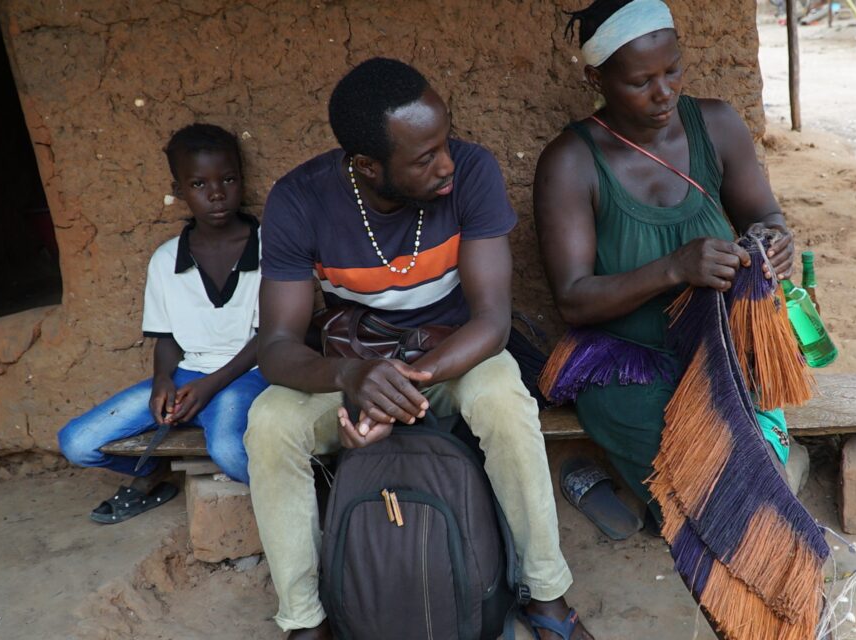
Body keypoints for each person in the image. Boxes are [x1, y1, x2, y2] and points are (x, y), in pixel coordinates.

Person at [245, 58, 592, 640]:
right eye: (424, 157)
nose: (446, 163)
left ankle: (546, 594)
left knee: (504, 398)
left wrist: (404, 385)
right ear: (367, 166)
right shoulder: (299, 200)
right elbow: (276, 348)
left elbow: (492, 323)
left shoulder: (473, 173)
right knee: (269, 421)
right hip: (357, 370)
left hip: (452, 358)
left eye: (444, 141)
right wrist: (353, 378)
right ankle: (305, 621)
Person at [533, 0, 799, 529]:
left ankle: (712, 503)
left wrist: (775, 239)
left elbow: (764, 214)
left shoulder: (717, 125)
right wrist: (673, 269)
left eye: (672, 69)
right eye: (640, 81)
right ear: (596, 78)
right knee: (706, 476)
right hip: (624, 362)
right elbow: (574, 298)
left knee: (735, 456)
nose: (664, 92)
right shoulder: (572, 162)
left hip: (719, 345)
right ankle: (751, 496)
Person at [58, 123, 265, 522]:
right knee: (77, 442)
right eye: (199, 184)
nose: (217, 194)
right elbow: (167, 339)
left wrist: (208, 386)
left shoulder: (271, 246)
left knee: (228, 450)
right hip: (189, 375)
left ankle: (312, 492)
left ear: (242, 178)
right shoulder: (165, 260)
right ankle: (152, 474)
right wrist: (163, 382)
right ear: (180, 189)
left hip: (250, 374)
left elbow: (271, 337)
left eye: (228, 179)